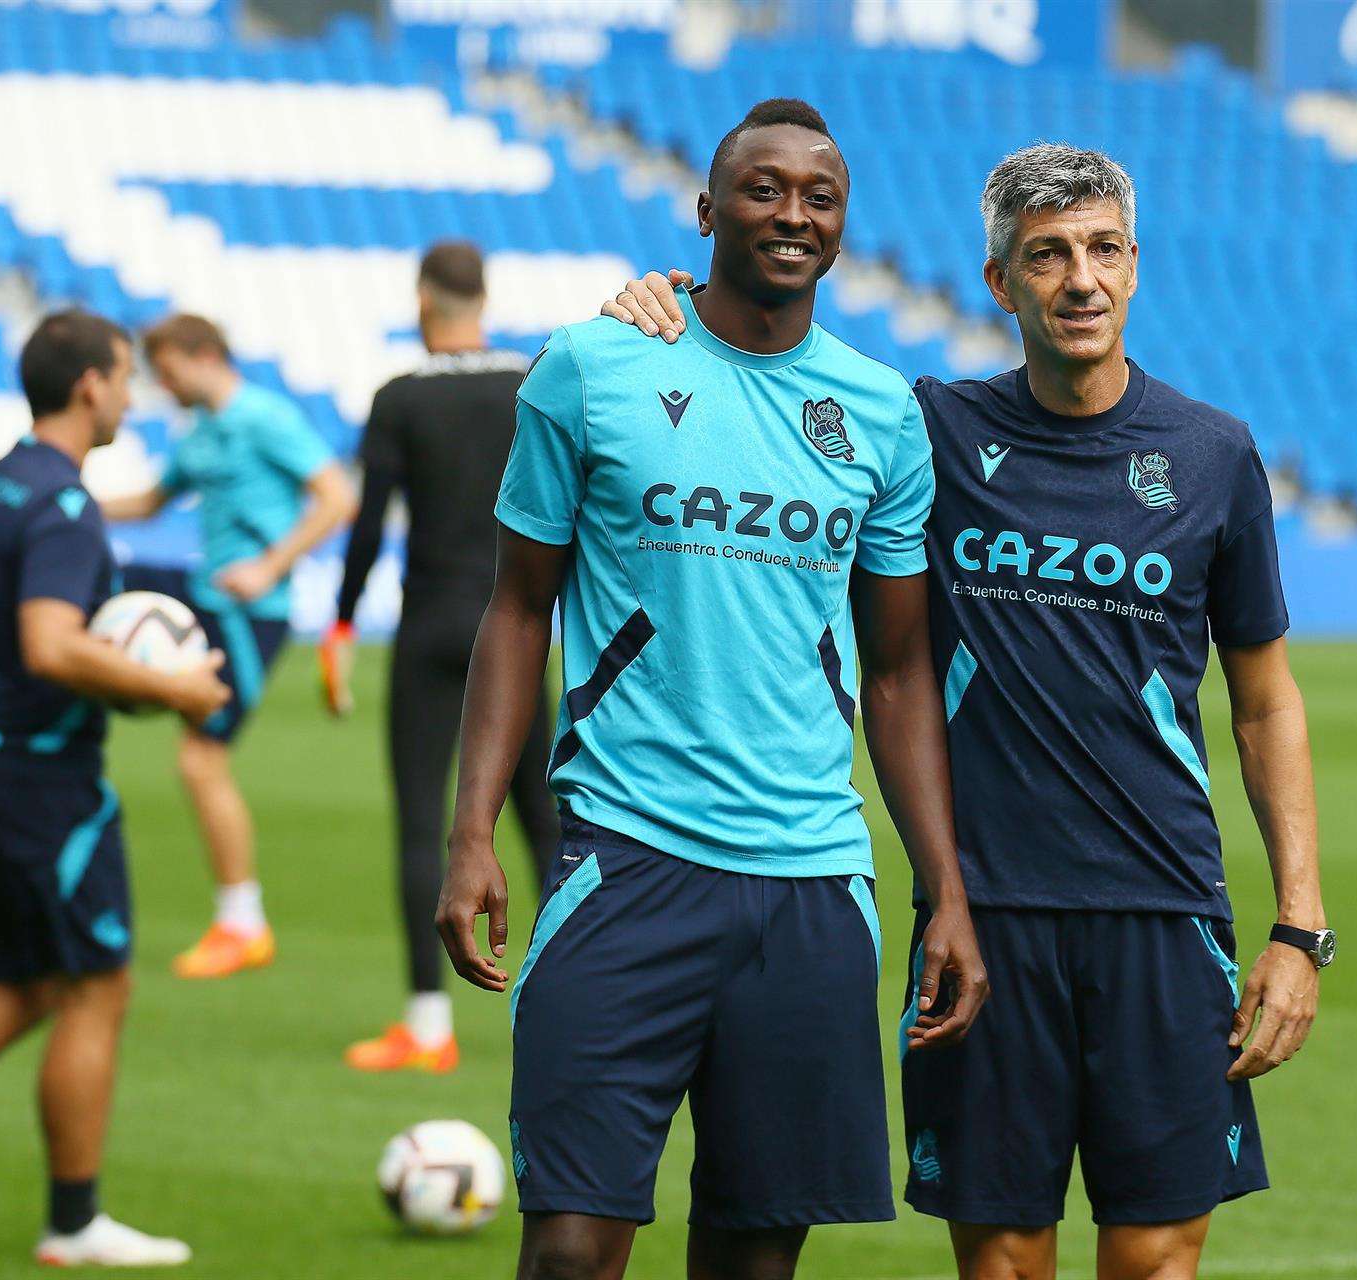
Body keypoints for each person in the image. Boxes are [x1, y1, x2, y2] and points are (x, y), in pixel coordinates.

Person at [604, 142, 1332, 1280]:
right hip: (982, 917)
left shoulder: (1212, 454)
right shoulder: (921, 431)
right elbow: (768, 378)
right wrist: (668, 300)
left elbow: (1265, 701)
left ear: (1136, 266)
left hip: (1164, 909)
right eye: (1046, 256)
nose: (1079, 280)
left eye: (1101, 251)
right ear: (1001, 284)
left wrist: (1299, 925)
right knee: (999, 1263)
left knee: (1156, 1261)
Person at [434, 99, 989, 1280]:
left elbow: (897, 672)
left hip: (808, 882)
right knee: (571, 1250)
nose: (792, 212)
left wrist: (944, 887)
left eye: (818, 196)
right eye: (762, 188)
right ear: (705, 210)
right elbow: (518, 607)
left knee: (753, 1258)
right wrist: (473, 827)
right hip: (624, 863)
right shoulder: (591, 366)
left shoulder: (883, 413)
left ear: (843, 226)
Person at [0, 310, 230, 1267]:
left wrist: (57, 666)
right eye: (124, 378)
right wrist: (169, 685)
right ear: (90, 385)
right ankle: (75, 1222)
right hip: (39, 783)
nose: (131, 396)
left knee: (23, 987)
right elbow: (51, 644)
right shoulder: (64, 506)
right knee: (95, 987)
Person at [330, 241, 559, 1074]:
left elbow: (366, 528)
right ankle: (566, 997)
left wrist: (344, 623)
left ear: (424, 300)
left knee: (422, 819)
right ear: (484, 296)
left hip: (428, 626)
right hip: (518, 626)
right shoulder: (527, 384)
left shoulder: (399, 398)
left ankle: (427, 1024)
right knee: (543, 816)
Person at [99, 315, 355, 980]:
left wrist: (271, 566)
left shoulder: (264, 417)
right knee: (95, 578)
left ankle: (244, 924)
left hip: (247, 613)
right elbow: (154, 500)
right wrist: (72, 500)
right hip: (204, 598)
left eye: (168, 369)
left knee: (200, 761)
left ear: (205, 356)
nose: (162, 384)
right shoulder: (203, 431)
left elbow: (337, 496)